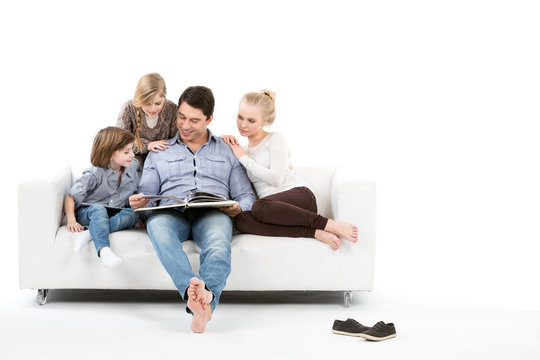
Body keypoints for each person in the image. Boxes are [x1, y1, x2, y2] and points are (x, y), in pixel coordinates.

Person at [129, 86, 255, 333]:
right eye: (181, 117)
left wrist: (239, 207)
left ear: (209, 119)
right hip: (171, 213)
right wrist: (140, 204)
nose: (185, 125)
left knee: (219, 243)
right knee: (157, 225)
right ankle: (194, 293)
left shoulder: (227, 150)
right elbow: (148, 198)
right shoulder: (159, 151)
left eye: (194, 120)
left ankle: (205, 305)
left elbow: (246, 195)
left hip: (213, 213)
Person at [222, 90, 358, 250]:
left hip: (299, 197)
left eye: (251, 120)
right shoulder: (242, 150)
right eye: (240, 117)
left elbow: (276, 179)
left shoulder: (275, 139)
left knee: (259, 207)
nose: (243, 125)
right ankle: (313, 232)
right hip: (272, 211)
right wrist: (222, 141)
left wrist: (243, 158)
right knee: (242, 220)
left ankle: (328, 224)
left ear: (265, 120)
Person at [65, 126, 139, 268]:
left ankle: (88, 234)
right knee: (99, 210)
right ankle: (104, 250)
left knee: (134, 215)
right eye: (126, 151)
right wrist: (71, 221)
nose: (132, 155)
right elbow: (70, 197)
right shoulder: (95, 173)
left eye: (132, 150)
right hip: (90, 212)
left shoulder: (131, 171)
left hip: (113, 211)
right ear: (110, 154)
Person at [116, 72, 178, 166]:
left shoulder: (172, 109)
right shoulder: (128, 108)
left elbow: (177, 140)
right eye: (147, 103)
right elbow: (120, 142)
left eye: (158, 103)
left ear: (164, 98)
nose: (153, 109)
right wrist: (148, 145)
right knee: (127, 168)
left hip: (162, 157)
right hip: (133, 157)